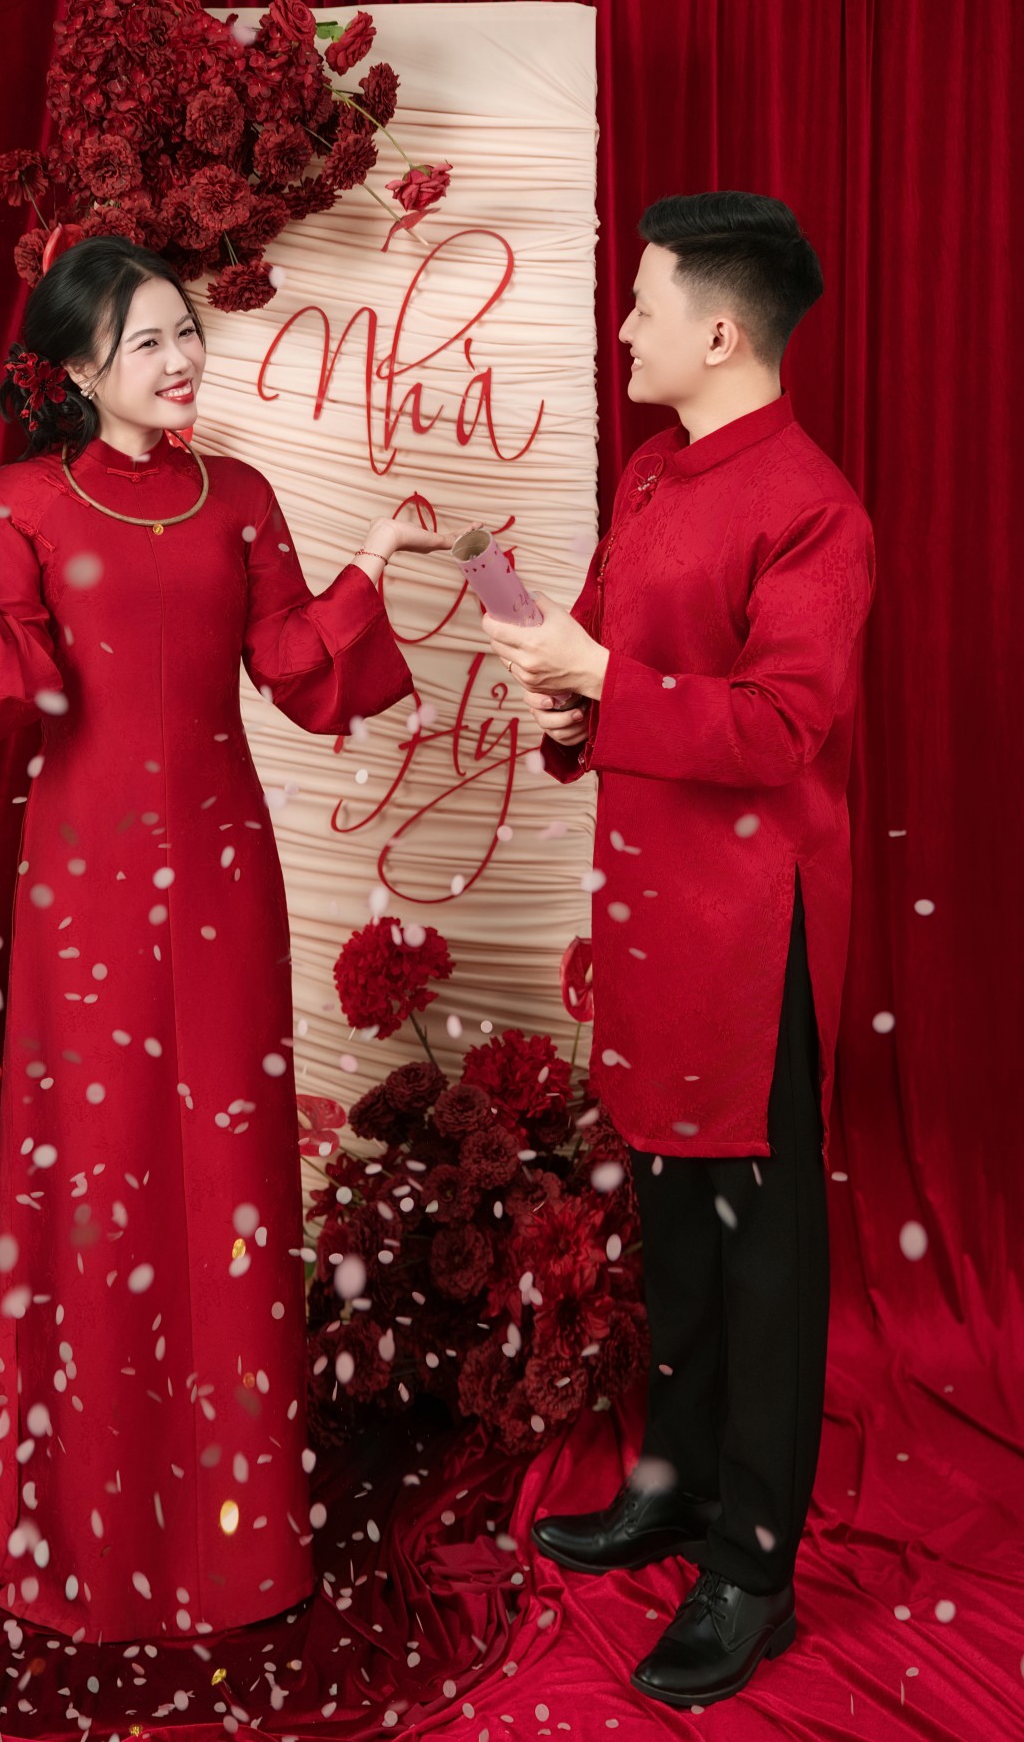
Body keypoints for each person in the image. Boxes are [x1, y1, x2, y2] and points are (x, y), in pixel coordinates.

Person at [0, 234, 449, 1641]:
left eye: (185, 330)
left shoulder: (239, 495)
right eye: (148, 340)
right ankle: (89, 1523)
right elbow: (7, 679)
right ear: (81, 368)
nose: (182, 357)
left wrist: (373, 559)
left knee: (231, 1171)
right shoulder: (21, 503)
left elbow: (293, 668)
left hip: (226, 872)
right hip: (82, 875)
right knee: (96, 1168)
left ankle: (237, 1541)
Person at [479, 192, 875, 1708]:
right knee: (670, 1214)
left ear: (718, 330)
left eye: (642, 304)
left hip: (752, 927)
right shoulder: (652, 471)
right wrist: (567, 697)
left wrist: (602, 676)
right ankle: (675, 1482)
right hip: (648, 911)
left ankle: (754, 1567)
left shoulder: (815, 509)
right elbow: (612, 659)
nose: (624, 326)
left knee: (760, 1249)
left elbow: (780, 728)